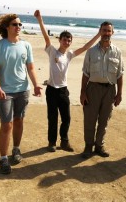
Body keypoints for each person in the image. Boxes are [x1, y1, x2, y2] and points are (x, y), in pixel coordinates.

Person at [34, 10, 100, 152]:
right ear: (60, 40)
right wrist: (40, 19)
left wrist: (99, 34)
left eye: (69, 40)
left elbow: (86, 47)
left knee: (66, 118)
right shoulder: (52, 51)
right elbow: (46, 36)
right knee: (52, 118)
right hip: (51, 90)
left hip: (64, 90)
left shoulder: (69, 55)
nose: (67, 42)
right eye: (65, 39)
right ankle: (52, 143)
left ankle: (64, 142)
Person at [0, 13, 42, 174]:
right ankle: (3, 158)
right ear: (7, 27)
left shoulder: (26, 45)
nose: (18, 27)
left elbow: (30, 68)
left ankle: (16, 149)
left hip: (22, 90)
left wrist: (36, 85)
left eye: (20, 25)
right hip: (5, 92)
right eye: (15, 24)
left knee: (19, 121)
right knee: (7, 124)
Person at [80, 21, 124, 158]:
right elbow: (85, 73)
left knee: (104, 119)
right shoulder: (91, 51)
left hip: (110, 90)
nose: (106, 33)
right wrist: (83, 92)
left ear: (112, 32)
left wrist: (119, 94)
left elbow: (120, 74)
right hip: (93, 88)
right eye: (104, 30)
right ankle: (88, 146)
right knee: (90, 119)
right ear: (100, 31)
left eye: (108, 31)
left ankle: (99, 146)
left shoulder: (117, 52)